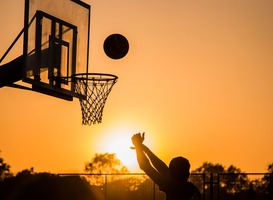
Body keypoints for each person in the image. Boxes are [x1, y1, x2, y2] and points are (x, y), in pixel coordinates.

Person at [131, 132, 201, 200]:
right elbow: (163, 169)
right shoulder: (192, 189)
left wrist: (138, 146)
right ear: (187, 173)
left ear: (172, 174)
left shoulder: (172, 187)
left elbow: (145, 166)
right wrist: (145, 149)